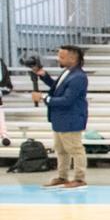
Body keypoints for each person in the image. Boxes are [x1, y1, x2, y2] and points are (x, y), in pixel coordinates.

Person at [32, 45, 88, 188]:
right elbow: (56, 89)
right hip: (60, 118)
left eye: (62, 57)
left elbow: (67, 100)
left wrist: (44, 98)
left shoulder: (78, 77)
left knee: (75, 149)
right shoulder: (67, 73)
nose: (59, 59)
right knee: (61, 150)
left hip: (71, 118)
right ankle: (62, 176)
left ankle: (79, 178)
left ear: (73, 58)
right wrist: (44, 76)